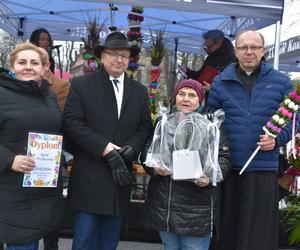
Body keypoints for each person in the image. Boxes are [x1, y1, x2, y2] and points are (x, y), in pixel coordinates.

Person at [62, 31, 153, 250]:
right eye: (113, 54)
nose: (118, 59)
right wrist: (103, 148)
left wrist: (133, 147)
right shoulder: (81, 85)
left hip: (120, 178)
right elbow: (71, 123)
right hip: (90, 177)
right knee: (85, 240)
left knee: (109, 242)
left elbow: (145, 127)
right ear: (102, 56)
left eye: (123, 54)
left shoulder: (140, 91)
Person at [207, 30, 293, 250]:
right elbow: (211, 120)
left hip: (263, 167)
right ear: (235, 51)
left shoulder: (281, 82)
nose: (249, 52)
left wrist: (277, 138)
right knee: (228, 230)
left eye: (254, 47)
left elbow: (294, 120)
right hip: (229, 168)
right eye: (243, 47)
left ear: (263, 51)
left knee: (259, 233)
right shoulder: (220, 82)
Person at [142, 79, 231, 250]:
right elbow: (147, 153)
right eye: (182, 94)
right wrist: (154, 168)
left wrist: (210, 176)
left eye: (192, 95)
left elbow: (224, 157)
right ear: (175, 97)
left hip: (197, 209)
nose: (186, 99)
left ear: (200, 100)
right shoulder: (163, 123)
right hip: (166, 204)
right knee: (170, 246)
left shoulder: (212, 126)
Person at [0, 43, 64, 249]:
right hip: (11, 191)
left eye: (34, 63)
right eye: (22, 62)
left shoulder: (49, 96)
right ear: (12, 66)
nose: (28, 67)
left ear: (44, 67)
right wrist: (10, 160)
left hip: (42, 190)